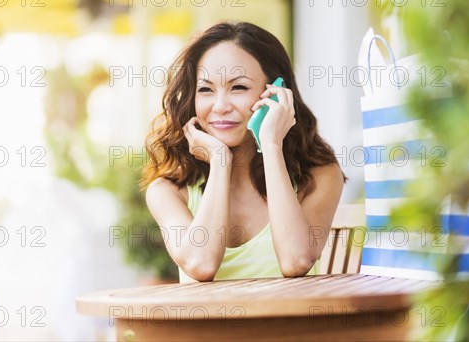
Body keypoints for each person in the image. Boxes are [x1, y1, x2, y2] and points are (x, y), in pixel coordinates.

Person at [142, 21, 345, 282]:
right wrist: (219, 161)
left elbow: (296, 260)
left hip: (288, 323)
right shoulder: (169, 191)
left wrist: (271, 145)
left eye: (238, 87)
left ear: (275, 93)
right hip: (206, 324)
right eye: (205, 90)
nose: (220, 106)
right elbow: (200, 263)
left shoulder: (320, 176)